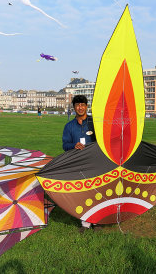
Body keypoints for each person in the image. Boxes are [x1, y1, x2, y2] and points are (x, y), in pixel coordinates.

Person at [62, 95, 97, 232]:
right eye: (77, 105)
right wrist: (73, 146)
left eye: (83, 105)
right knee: (82, 192)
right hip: (77, 164)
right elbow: (65, 145)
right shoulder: (69, 126)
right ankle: (85, 223)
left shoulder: (94, 123)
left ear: (86, 106)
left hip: (95, 162)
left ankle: (98, 221)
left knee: (96, 191)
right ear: (74, 107)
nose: (80, 107)